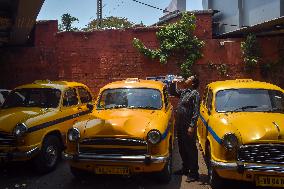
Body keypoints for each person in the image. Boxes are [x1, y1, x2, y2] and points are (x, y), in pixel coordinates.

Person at [173, 75, 200, 182]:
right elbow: (173, 92)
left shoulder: (195, 94)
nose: (186, 79)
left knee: (190, 148)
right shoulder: (185, 92)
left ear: (192, 83)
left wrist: (192, 126)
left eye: (189, 78)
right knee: (182, 147)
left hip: (188, 125)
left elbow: (196, 111)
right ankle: (185, 168)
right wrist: (174, 82)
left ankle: (194, 173)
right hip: (180, 124)